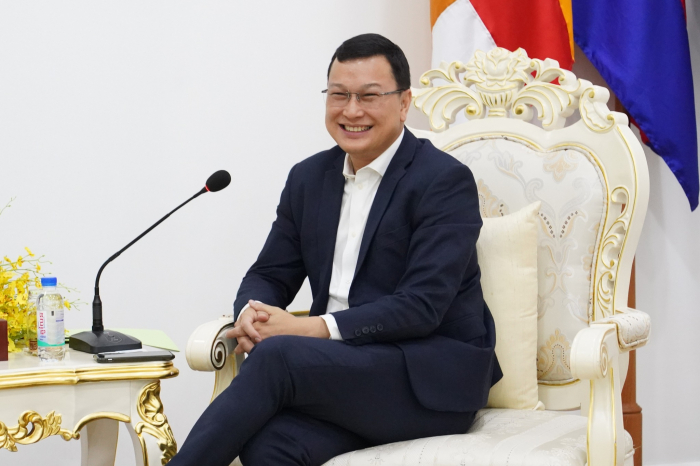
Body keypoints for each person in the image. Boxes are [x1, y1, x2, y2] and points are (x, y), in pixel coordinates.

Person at [170, 33, 502, 466]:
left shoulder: (443, 181)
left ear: (404, 103)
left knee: (277, 356)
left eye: (369, 96)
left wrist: (311, 329)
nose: (351, 111)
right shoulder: (308, 178)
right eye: (339, 95)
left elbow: (422, 306)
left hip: (424, 379)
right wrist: (251, 313)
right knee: (268, 446)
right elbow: (269, 273)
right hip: (342, 375)